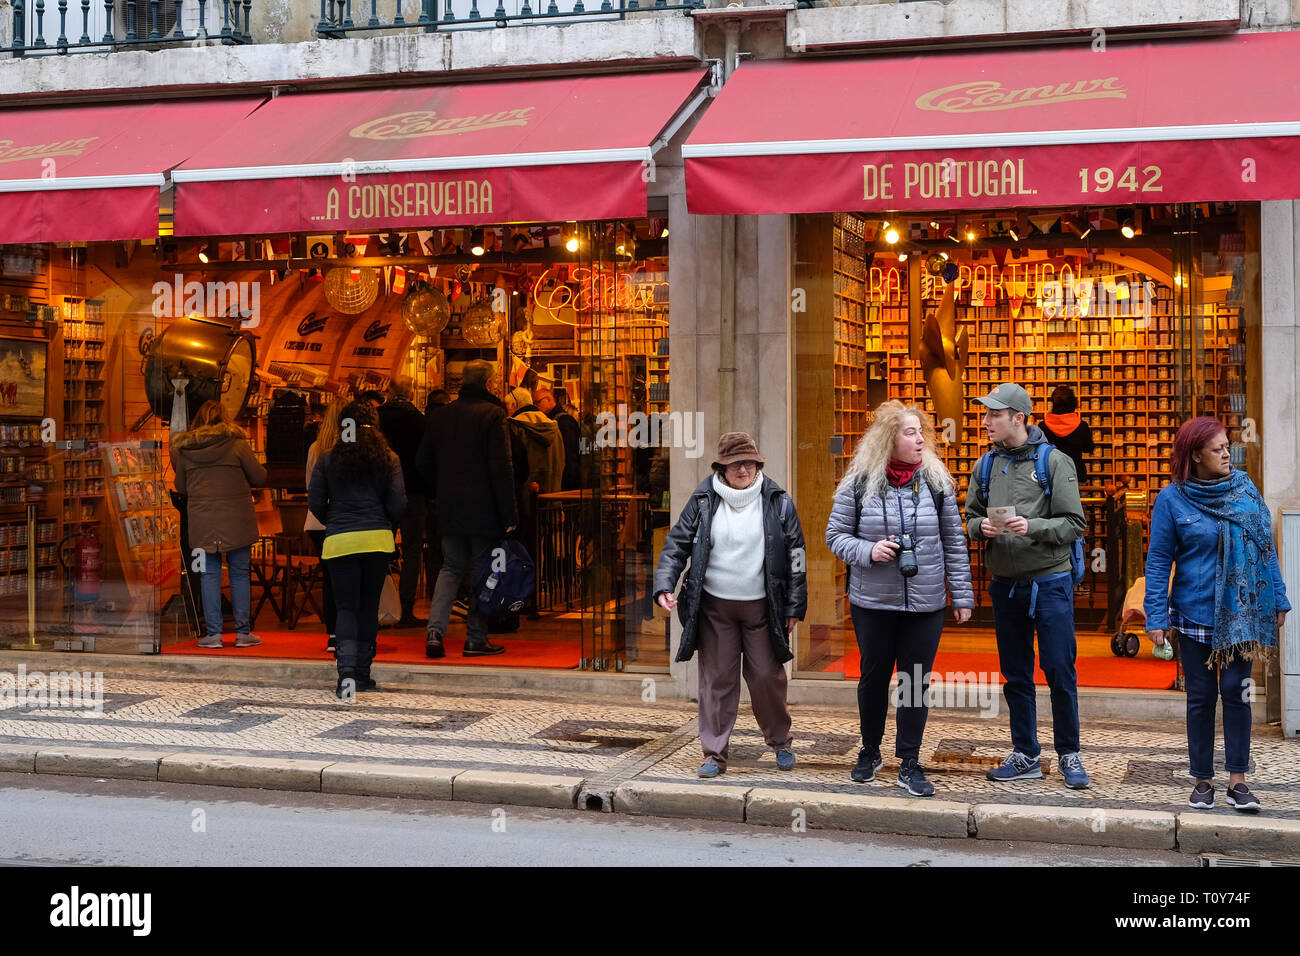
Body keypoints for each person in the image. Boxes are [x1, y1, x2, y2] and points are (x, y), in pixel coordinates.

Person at [825, 401, 974, 796]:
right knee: (874, 678)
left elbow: (954, 543)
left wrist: (961, 595)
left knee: (914, 682)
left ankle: (909, 761)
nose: (921, 439)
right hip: (872, 602)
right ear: (887, 439)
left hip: (925, 604)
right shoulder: (858, 483)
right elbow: (835, 536)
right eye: (910, 432)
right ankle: (870, 750)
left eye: (921, 432)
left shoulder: (936, 484)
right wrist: (868, 551)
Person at [1144, 417, 1289, 812]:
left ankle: (1238, 781)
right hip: (1192, 614)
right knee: (1201, 698)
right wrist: (1155, 616)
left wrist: (1278, 598)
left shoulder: (1245, 490)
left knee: (1238, 696)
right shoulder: (1173, 498)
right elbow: (1158, 561)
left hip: (1241, 615)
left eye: (1228, 446)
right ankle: (1203, 780)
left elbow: (1265, 548)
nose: (1227, 453)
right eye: (1217, 449)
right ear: (1195, 455)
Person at [653, 432, 807, 777]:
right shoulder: (704, 498)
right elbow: (676, 543)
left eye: (749, 462)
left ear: (758, 464)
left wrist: (794, 606)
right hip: (715, 608)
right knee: (718, 681)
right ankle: (714, 754)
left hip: (763, 608)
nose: (743, 469)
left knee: (767, 677)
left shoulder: (778, 501)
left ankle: (780, 742)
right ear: (721, 467)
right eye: (736, 463)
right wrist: (664, 584)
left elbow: (797, 555)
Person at [964, 382, 1090, 788]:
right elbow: (967, 517)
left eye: (994, 415)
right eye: (986, 415)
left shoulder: (1055, 462)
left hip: (1050, 583)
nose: (986, 422)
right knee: (1015, 674)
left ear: (1018, 418)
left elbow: (1075, 524)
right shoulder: (985, 466)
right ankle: (1025, 754)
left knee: (1058, 670)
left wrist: (1031, 526)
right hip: (1006, 586)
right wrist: (978, 528)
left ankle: (1070, 754)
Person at [416, 360, 518, 658]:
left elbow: (422, 462)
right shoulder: (493, 415)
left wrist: (441, 490)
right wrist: (509, 514)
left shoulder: (441, 416)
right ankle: (475, 637)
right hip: (485, 510)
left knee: (450, 568)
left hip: (449, 508)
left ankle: (435, 632)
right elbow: (502, 467)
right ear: (488, 383)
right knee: (483, 571)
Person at [308, 400, 405, 699]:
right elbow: (399, 503)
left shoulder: (327, 459)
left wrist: (335, 521)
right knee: (367, 607)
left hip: (339, 541)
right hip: (377, 540)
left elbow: (315, 503)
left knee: (345, 607)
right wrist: (383, 524)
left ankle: (346, 675)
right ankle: (363, 674)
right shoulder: (388, 458)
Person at [170, 400, 267, 649]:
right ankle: (243, 632)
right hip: (237, 518)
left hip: (203, 520)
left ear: (198, 422)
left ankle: (213, 634)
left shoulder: (184, 449)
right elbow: (259, 477)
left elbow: (181, 486)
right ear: (225, 418)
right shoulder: (238, 446)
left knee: (208, 574)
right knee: (239, 573)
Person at [377, 376, 428, 628]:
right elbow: (427, 457)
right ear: (411, 393)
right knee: (412, 550)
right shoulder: (418, 420)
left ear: (389, 389)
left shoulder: (377, 418)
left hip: (381, 492)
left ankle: (378, 605)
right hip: (414, 492)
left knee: (378, 549)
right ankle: (406, 609)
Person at [304, 398, 343, 653]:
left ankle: (332, 633)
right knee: (347, 579)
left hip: (317, 523)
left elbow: (310, 486)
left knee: (329, 579)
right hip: (344, 522)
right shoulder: (352, 450)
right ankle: (349, 631)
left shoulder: (316, 449)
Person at [1040, 385, 1095, 484]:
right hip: (1075, 474)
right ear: (1073, 403)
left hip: (1051, 476)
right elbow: (1089, 449)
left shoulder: (1043, 426)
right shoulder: (1082, 426)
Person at [535, 386, 580, 491]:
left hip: (565, 482)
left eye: (537, 402)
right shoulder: (555, 420)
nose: (535, 406)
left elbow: (570, 456)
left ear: (549, 400)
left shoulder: (564, 422)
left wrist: (568, 484)